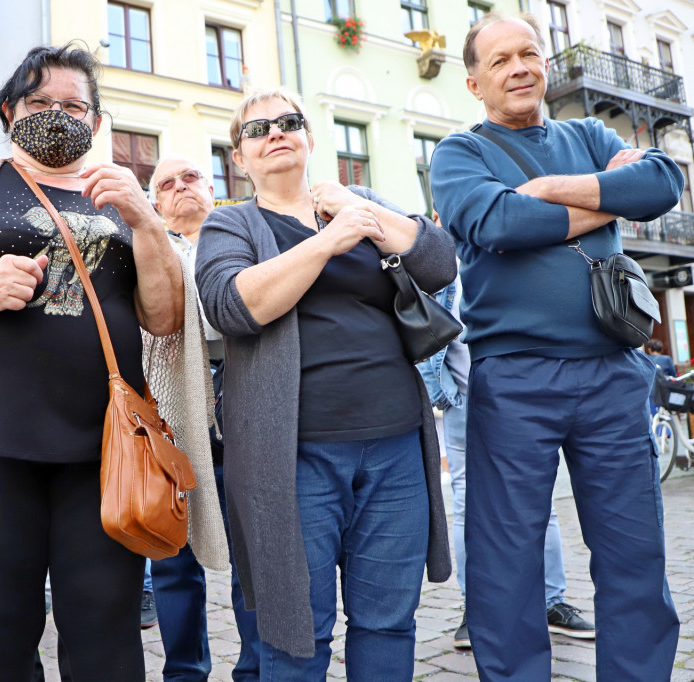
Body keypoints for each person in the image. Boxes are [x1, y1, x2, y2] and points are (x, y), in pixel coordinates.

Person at [0, 44, 228, 681]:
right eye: (40, 102)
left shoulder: (120, 194)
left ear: (95, 121)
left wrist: (145, 221)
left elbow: (167, 321)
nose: (57, 114)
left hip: (106, 449)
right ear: (9, 110)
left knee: (106, 627)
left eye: (74, 106)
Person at [429, 11, 682, 680]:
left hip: (613, 372)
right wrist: (610, 196)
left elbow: (662, 184)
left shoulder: (587, 133)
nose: (519, 68)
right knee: (506, 563)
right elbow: (496, 220)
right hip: (514, 380)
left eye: (528, 53)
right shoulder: (461, 153)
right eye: (501, 60)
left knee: (635, 555)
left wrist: (545, 191)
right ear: (474, 81)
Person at [195, 87, 454, 681]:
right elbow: (233, 306)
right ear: (240, 156)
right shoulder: (230, 222)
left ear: (310, 138)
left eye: (289, 122)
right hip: (293, 457)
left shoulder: (356, 204)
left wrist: (356, 211)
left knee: (389, 620)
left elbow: (439, 264)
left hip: (395, 446)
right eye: (258, 129)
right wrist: (329, 240)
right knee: (295, 634)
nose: (276, 134)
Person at [416, 269, 594, 650]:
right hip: (468, 402)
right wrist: (442, 395)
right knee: (467, 503)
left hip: (523, 397)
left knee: (540, 502)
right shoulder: (441, 267)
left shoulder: (512, 248)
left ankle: (550, 603)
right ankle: (475, 607)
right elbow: (421, 329)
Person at [147, 156, 261, 681]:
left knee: (252, 555)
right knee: (172, 561)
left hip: (240, 402)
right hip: (168, 412)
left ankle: (256, 669)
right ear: (154, 205)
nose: (179, 188)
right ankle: (184, 673)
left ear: (213, 189)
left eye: (190, 177)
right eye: (166, 184)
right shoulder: (144, 251)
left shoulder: (241, 236)